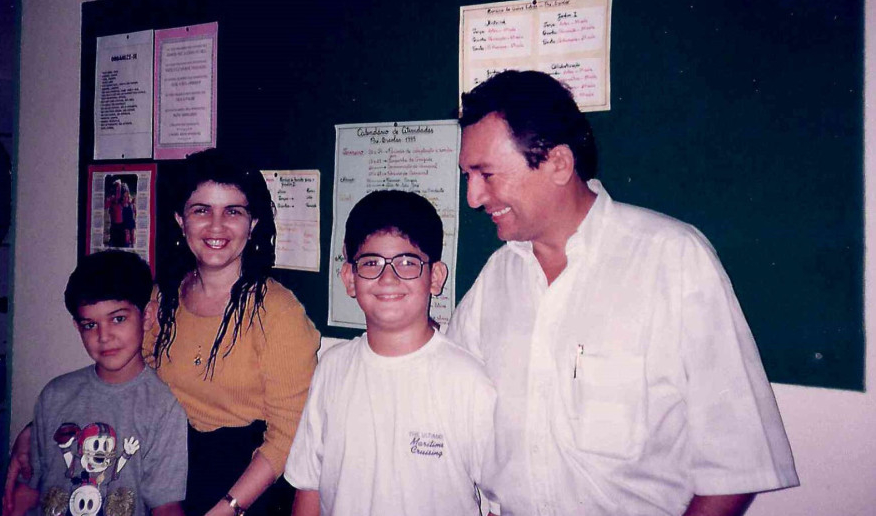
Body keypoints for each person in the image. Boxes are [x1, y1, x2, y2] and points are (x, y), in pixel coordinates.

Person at [448, 70, 799, 516]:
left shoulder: (671, 259)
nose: (474, 197)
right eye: (467, 176)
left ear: (558, 163)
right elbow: (447, 404)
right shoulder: (497, 278)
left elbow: (737, 462)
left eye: (487, 174)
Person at [5, 149, 321, 516]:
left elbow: (288, 433)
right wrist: (36, 430)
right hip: (164, 470)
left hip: (246, 488)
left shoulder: (279, 312)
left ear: (252, 225)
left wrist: (228, 508)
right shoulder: (162, 300)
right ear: (180, 220)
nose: (216, 226)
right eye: (201, 210)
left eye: (233, 211)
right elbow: (120, 379)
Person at [285, 190, 498, 516]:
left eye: (407, 262)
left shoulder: (468, 380)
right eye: (371, 263)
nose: (388, 277)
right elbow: (308, 483)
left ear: (435, 277)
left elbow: (499, 502)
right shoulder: (332, 368)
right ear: (349, 278)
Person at [5, 250, 187, 516]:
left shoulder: (163, 407)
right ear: (78, 327)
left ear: (147, 317)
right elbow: (29, 489)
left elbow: (166, 505)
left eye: (118, 319)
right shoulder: (55, 394)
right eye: (90, 325)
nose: (104, 336)